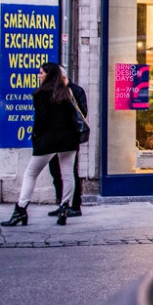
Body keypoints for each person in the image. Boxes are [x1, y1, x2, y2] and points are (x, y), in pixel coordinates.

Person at [0, 62, 80, 226]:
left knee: (31, 173)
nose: (39, 75)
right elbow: (73, 116)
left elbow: (40, 120)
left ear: (48, 75)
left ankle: (21, 209)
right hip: (69, 139)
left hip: (48, 140)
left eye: (41, 73)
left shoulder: (41, 94)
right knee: (67, 174)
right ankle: (64, 206)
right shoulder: (67, 92)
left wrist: (35, 137)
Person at [47, 66, 87, 218]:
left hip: (69, 137)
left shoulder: (76, 90)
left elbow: (82, 114)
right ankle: (61, 203)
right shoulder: (53, 91)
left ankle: (75, 206)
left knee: (70, 172)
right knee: (55, 171)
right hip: (54, 138)